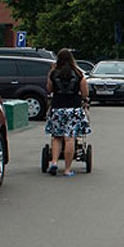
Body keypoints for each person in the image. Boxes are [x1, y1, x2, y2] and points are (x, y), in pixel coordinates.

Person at [45, 48, 91, 177]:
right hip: (73, 108)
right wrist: (85, 101)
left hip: (57, 107)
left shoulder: (54, 73)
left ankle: (54, 162)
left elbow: (49, 89)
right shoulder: (78, 73)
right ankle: (67, 169)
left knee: (56, 137)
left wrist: (51, 72)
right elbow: (85, 93)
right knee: (70, 138)